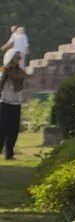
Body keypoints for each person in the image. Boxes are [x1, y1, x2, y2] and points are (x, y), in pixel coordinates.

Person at [0, 24, 28, 162]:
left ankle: (9, 153)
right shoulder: (4, 71)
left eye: (19, 57)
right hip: (4, 102)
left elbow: (23, 78)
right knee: (1, 128)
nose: (19, 60)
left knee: (13, 130)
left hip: (15, 103)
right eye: (16, 58)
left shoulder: (19, 73)